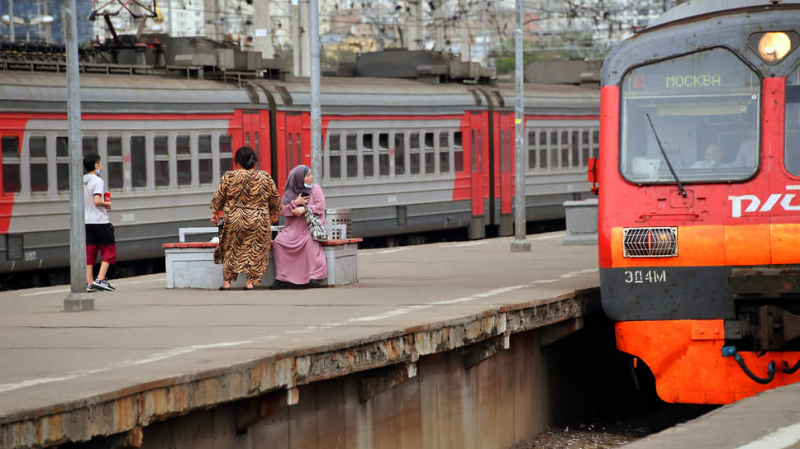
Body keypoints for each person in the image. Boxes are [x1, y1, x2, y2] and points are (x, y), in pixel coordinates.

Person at [210, 146, 281, 290]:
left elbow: (218, 197)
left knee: (231, 250)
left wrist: (215, 213)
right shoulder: (264, 177)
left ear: (237, 162)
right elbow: (274, 199)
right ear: (254, 162)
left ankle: (227, 283)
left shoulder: (229, 177)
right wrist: (274, 213)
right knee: (256, 251)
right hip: (258, 221)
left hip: (235, 220)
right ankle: (250, 283)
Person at [270, 165, 328, 290]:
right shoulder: (290, 193)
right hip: (293, 229)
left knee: (310, 242)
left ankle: (314, 276)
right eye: (308, 176)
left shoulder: (316, 189)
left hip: (308, 227)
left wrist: (305, 209)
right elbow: (283, 210)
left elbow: (320, 206)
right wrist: (295, 203)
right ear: (298, 179)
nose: (311, 178)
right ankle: (282, 277)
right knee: (279, 242)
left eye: (311, 175)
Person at [83, 154, 116, 292]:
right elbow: (97, 201)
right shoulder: (98, 181)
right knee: (109, 249)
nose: (101, 166)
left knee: (90, 252)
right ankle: (100, 279)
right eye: (100, 164)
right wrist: (107, 204)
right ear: (96, 166)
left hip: (86, 221)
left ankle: (89, 283)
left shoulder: (82, 181)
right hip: (100, 221)